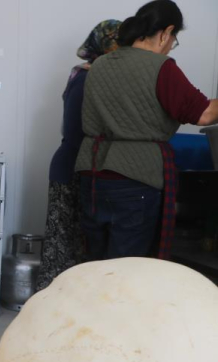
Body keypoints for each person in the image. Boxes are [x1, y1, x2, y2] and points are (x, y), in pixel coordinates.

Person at [75, 0, 218, 261]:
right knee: (128, 266)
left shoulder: (100, 65)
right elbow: (205, 114)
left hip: (92, 175)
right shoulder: (161, 68)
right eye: (173, 39)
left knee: (94, 262)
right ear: (166, 32)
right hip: (134, 178)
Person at [36, 20, 121, 292]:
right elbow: (77, 133)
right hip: (72, 168)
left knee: (74, 246)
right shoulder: (87, 78)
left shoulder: (92, 74)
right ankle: (54, 309)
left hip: (79, 167)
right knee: (64, 248)